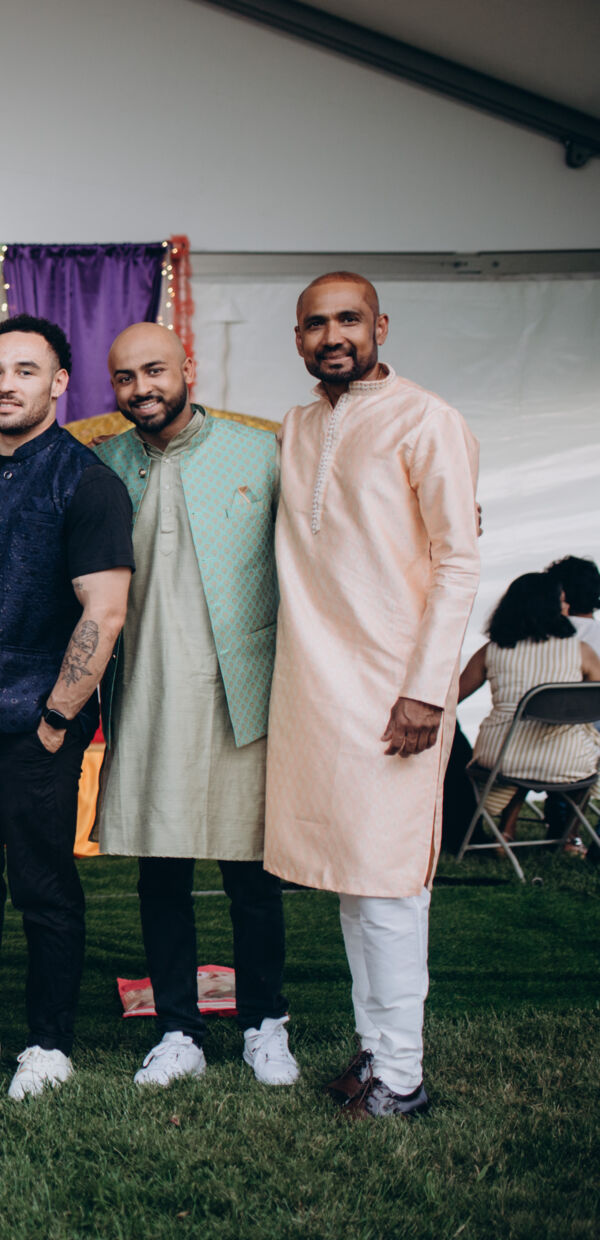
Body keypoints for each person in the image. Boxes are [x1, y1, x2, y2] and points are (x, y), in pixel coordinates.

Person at [265, 272, 480, 1121]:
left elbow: (459, 561)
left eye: (349, 319)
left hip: (398, 692)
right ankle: (375, 1050)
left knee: (390, 885)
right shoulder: (298, 425)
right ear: (298, 338)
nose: (333, 336)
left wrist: (428, 692)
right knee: (356, 882)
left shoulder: (428, 419)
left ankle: (403, 1077)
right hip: (320, 688)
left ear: (381, 325)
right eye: (316, 324)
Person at [90, 323, 297, 1089]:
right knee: (162, 871)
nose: (141, 388)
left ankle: (265, 1023)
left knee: (252, 874)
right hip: (148, 691)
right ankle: (178, 1030)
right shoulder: (104, 463)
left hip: (243, 690)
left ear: (188, 368)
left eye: (154, 370)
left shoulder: (262, 452)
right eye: (125, 377)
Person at [0, 316, 133, 1101]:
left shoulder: (85, 481)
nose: (5, 384)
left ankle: (50, 1043)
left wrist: (57, 717)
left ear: (59, 383)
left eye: (25, 370)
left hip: (38, 723)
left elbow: (104, 612)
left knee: (43, 888)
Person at [457, 572, 600, 828]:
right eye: (562, 601)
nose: (567, 606)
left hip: (501, 757)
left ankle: (507, 830)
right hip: (569, 760)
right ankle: (570, 837)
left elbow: (451, 698)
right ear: (549, 606)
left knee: (522, 747)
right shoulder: (580, 651)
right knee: (579, 754)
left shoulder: (491, 651)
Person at [541, 556, 600, 851]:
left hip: (535, 739)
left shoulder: (541, 639)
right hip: (588, 746)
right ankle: (572, 834)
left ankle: (561, 828)